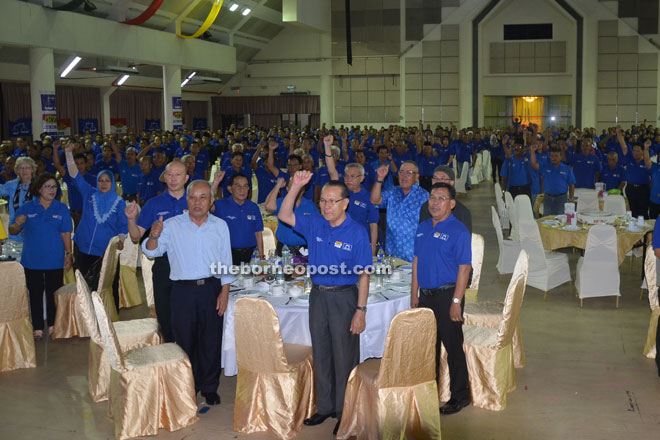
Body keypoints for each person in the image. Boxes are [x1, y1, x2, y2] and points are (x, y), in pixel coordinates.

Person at [278, 171, 371, 435]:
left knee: (345, 356)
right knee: (322, 352)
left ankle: (345, 411)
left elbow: (364, 275)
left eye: (333, 201)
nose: (327, 206)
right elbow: (284, 215)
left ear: (345, 204)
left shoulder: (357, 232)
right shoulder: (315, 224)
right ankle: (326, 406)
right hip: (318, 295)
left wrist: (360, 311)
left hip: (344, 297)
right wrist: (295, 187)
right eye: (323, 201)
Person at [141, 180, 234, 406]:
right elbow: (151, 252)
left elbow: (226, 261)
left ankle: (210, 387)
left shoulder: (220, 225)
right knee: (185, 341)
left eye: (203, 197)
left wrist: (224, 292)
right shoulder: (172, 225)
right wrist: (153, 235)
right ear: (187, 200)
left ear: (211, 201)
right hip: (182, 291)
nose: (197, 202)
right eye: (193, 197)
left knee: (210, 341)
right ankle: (188, 385)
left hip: (211, 289)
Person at [411, 182, 471, 415]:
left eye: (441, 198)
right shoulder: (423, 227)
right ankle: (429, 392)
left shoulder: (458, 231)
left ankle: (460, 395)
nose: (435, 203)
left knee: (453, 346)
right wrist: (414, 292)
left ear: (452, 204)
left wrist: (456, 302)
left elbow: (464, 268)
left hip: (448, 296)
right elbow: (417, 260)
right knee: (429, 347)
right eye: (432, 198)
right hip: (425, 296)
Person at [126, 160, 189, 343]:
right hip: (164, 265)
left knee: (187, 313)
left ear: (186, 178)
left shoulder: (195, 201)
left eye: (178, 175)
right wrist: (131, 219)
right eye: (169, 175)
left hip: (189, 264)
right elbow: (136, 236)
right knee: (165, 313)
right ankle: (170, 351)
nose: (173, 179)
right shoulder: (154, 203)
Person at [9, 173, 73, 340]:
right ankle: (37, 327)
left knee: (53, 294)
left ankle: (53, 325)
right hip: (32, 260)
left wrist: (69, 254)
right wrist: (17, 224)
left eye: (54, 187)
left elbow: (66, 233)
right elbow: (12, 230)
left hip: (55, 259)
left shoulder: (61, 208)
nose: (52, 190)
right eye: (48, 186)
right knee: (35, 294)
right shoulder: (28, 207)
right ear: (39, 189)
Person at [64, 143, 128, 292]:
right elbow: (75, 175)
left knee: (107, 288)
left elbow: (123, 225)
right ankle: (86, 315)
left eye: (107, 181)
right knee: (85, 286)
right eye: (100, 180)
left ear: (112, 183)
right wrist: (68, 153)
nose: (103, 184)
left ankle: (109, 315)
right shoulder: (89, 193)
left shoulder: (119, 202)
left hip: (105, 251)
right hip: (83, 248)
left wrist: (121, 239)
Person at [324, 135, 379, 255]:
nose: (348, 179)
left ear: (362, 178)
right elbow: (332, 170)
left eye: (353, 176)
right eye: (346, 176)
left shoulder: (369, 197)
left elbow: (373, 225)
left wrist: (373, 249)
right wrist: (327, 147)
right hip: (337, 240)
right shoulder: (340, 190)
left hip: (359, 243)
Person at [370, 160, 429, 262]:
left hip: (413, 255)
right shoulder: (393, 191)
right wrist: (379, 179)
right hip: (392, 253)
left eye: (409, 173)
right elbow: (375, 201)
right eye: (401, 172)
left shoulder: (425, 196)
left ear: (417, 176)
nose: (404, 176)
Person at [211, 172, 264, 264]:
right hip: (228, 254)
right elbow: (206, 203)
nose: (242, 190)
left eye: (245, 186)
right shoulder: (220, 205)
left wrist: (262, 256)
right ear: (230, 189)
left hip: (251, 254)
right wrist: (215, 182)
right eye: (238, 186)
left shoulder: (253, 207)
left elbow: (258, 234)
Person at [265, 176, 319, 256]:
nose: (296, 187)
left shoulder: (311, 206)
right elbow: (268, 206)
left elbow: (317, 229)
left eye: (298, 185)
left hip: (304, 249)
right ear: (287, 188)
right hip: (283, 247)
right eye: (293, 185)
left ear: (303, 189)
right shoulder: (282, 202)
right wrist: (278, 186)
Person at [418, 165, 472, 232]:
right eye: (435, 178)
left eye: (442, 178)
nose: (438, 181)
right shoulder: (426, 207)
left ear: (452, 183)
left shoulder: (462, 212)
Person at [530, 144, 576, 216]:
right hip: (548, 199)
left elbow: (572, 184)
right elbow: (533, 164)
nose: (553, 158)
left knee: (561, 221)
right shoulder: (545, 167)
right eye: (551, 156)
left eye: (556, 156)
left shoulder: (567, 169)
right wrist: (532, 152)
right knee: (546, 221)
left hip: (562, 199)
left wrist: (571, 199)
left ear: (561, 157)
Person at [0, 156, 36, 241]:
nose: (24, 170)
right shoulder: (12, 185)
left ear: (32, 170)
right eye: (21, 168)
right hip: (14, 230)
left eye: (27, 167)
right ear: (17, 170)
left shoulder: (38, 185)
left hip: (33, 230)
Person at [500, 136, 532, 200]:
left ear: (523, 148)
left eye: (519, 146)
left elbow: (532, 146)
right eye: (515, 146)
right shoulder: (509, 160)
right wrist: (503, 192)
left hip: (525, 189)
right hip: (512, 189)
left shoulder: (527, 158)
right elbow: (504, 178)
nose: (516, 148)